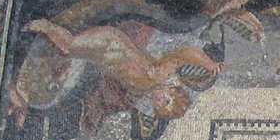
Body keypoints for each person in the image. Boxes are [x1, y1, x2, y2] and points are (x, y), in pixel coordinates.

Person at [24, 18, 223, 121]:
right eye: (166, 100)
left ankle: (43, 36)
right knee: (69, 47)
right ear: (172, 90)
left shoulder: (146, 87)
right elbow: (186, 54)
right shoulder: (161, 74)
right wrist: (209, 64)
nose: (158, 101)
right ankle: (44, 25)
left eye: (159, 106)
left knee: (69, 56)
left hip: (105, 56)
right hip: (112, 43)